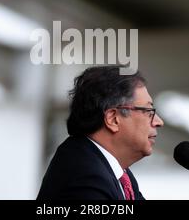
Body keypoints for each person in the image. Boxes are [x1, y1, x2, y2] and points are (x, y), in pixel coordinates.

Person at [37, 65, 164, 200]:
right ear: (113, 119)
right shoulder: (86, 177)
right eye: (148, 111)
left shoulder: (118, 174)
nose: (159, 122)